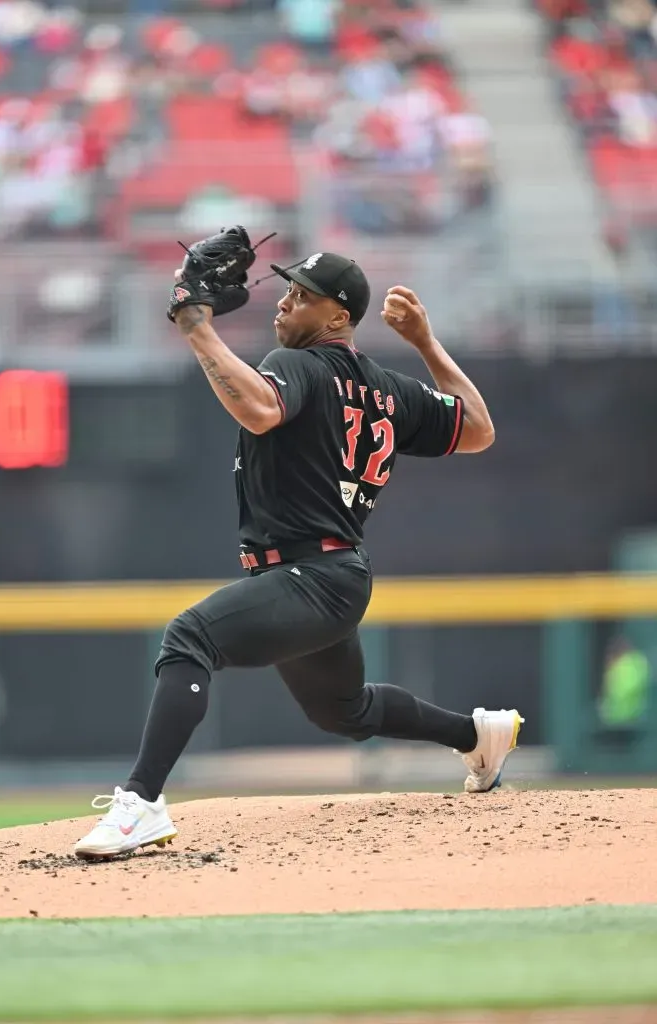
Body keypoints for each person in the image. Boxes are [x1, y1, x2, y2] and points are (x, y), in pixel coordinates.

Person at [74, 247, 524, 859]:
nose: (284, 301)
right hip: (332, 578)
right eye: (287, 288)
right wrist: (425, 343)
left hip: (311, 575)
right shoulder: (387, 390)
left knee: (189, 638)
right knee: (345, 712)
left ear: (339, 314)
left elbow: (259, 408)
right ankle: (475, 735)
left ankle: (140, 804)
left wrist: (196, 325)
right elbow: (478, 428)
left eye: (303, 293)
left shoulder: (300, 365)